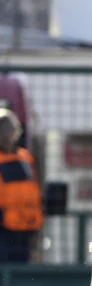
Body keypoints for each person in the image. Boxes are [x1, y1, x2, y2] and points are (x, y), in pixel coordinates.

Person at [0, 109, 43, 263]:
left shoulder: (25, 158)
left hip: (26, 229)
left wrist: (36, 231)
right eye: (1, 129)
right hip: (3, 231)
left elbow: (34, 191)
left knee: (22, 271)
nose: (5, 134)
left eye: (8, 129)